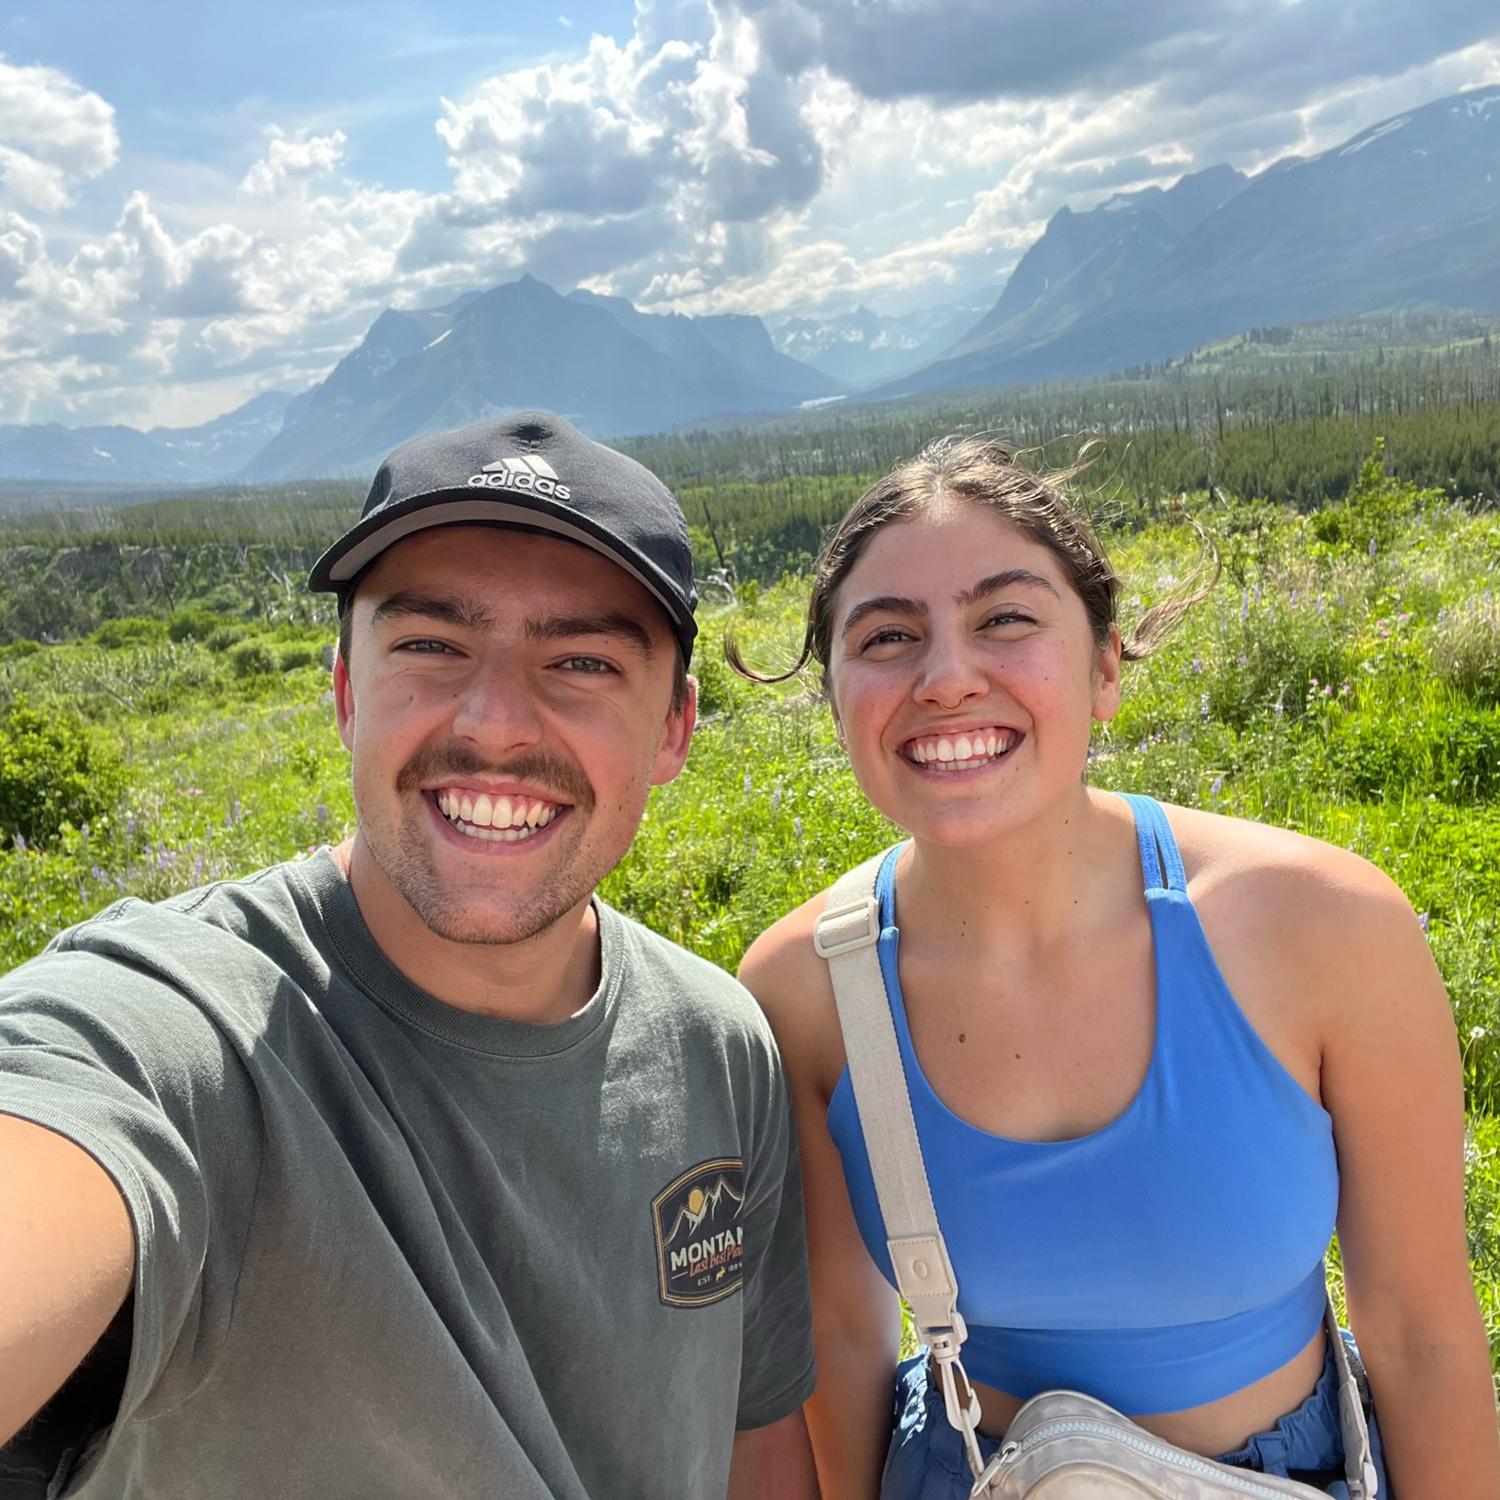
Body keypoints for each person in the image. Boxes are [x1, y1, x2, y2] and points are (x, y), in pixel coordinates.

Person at [0, 412, 818, 1499]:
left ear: (674, 728)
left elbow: (753, 1443)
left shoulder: (718, 1046)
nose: (494, 723)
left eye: (580, 660)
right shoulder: (184, 1031)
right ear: (345, 691)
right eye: (432, 645)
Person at [736, 435, 1500, 1499]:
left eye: (1005, 619)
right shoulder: (804, 989)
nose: (947, 678)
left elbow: (1422, 1331)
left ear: (1104, 668)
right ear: (834, 696)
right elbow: (835, 1337)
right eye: (887, 636)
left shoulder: (1323, 928)